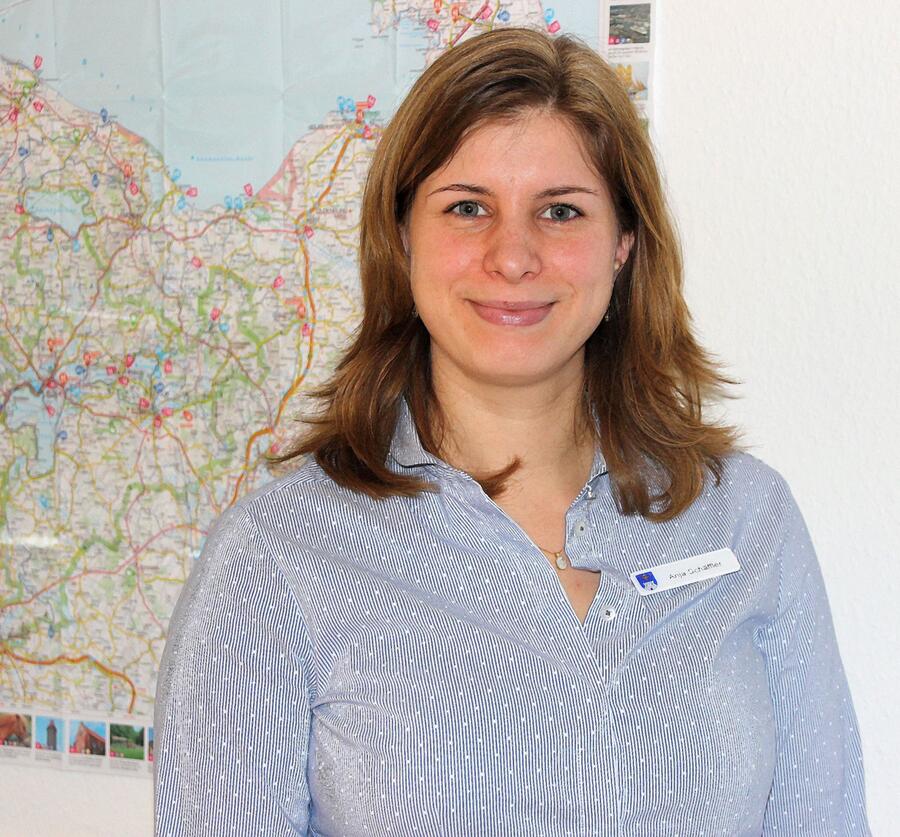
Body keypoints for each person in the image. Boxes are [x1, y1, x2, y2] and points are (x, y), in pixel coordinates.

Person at [154, 27, 869, 836]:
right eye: (468, 208)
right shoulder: (275, 558)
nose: (514, 255)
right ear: (403, 236)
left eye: (561, 211)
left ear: (623, 243)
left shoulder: (744, 518)